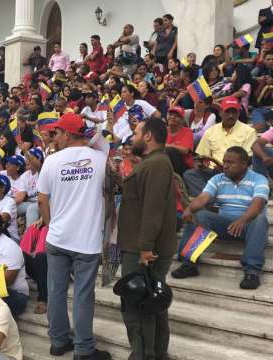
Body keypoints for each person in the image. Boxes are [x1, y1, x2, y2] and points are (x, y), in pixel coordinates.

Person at [37, 113, 110, 360]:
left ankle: (59, 342)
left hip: (58, 237)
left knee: (56, 290)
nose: (53, 137)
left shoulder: (52, 161)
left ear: (68, 134)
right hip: (86, 240)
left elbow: (42, 199)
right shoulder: (100, 158)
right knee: (82, 294)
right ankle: (83, 349)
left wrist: (50, 224)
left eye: (56, 133)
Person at [118, 118, 177, 360]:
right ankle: (156, 353)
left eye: (136, 133)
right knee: (153, 304)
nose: (133, 137)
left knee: (138, 306)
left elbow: (153, 210)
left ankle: (144, 355)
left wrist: (145, 248)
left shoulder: (155, 165)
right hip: (140, 246)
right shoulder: (152, 163)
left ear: (149, 136)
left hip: (142, 250)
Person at [172, 146, 268, 290]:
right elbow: (203, 198)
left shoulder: (258, 179)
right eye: (224, 161)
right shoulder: (218, 178)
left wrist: (242, 220)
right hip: (225, 226)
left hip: (249, 226)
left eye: (231, 162)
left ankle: (252, 272)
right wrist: (189, 209)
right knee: (200, 215)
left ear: (244, 164)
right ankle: (188, 263)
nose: (225, 165)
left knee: (260, 219)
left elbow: (258, 203)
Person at [183, 97, 257, 197]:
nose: (231, 115)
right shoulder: (211, 131)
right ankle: (211, 199)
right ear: (220, 112)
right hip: (214, 171)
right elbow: (201, 156)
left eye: (234, 112)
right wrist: (202, 164)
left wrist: (228, 167)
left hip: (236, 171)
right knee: (190, 174)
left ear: (238, 113)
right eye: (227, 112)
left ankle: (211, 198)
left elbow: (248, 159)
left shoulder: (249, 131)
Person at [165, 106, 194, 176]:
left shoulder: (187, 131)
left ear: (182, 120)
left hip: (184, 166)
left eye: (177, 116)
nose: (173, 117)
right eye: (171, 114)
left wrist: (165, 145)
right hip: (165, 163)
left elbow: (185, 150)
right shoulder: (163, 130)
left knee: (170, 151)